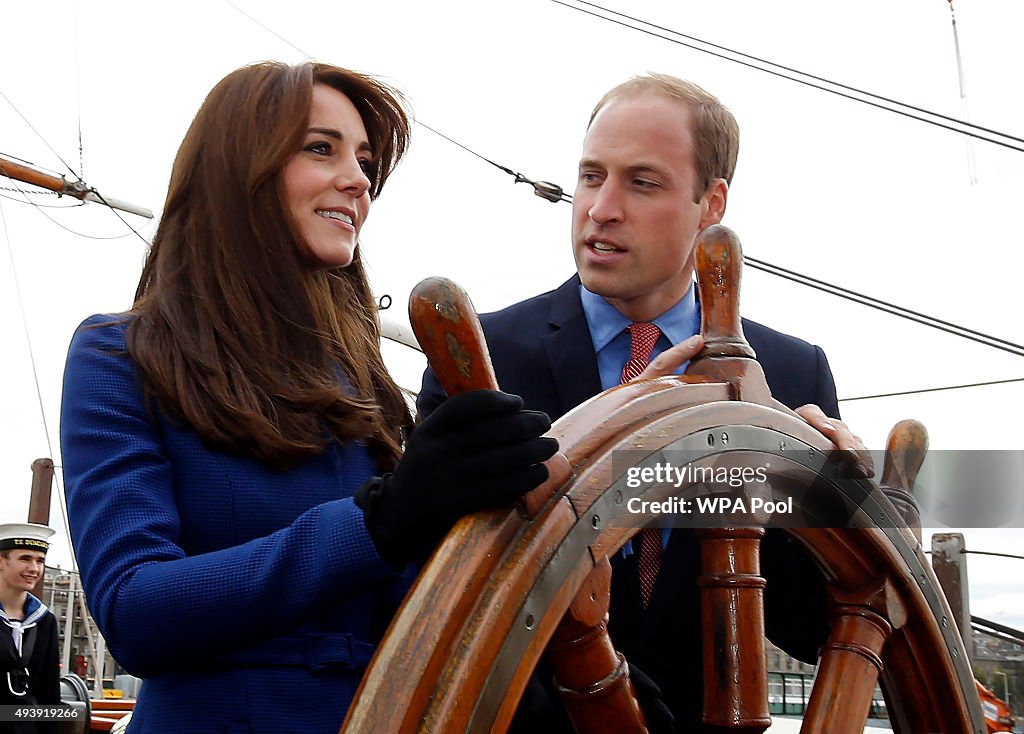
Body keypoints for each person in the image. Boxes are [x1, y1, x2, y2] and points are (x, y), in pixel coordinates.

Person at [59, 61, 556, 734]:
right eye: (321, 148)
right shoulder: (120, 357)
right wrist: (381, 522)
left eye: (365, 161)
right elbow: (136, 611)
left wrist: (540, 674)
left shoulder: (364, 378)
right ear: (239, 167)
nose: (359, 181)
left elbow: (418, 607)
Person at [418, 73, 870, 730]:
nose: (601, 207)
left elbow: (816, 627)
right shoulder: (481, 359)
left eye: (642, 182)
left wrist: (837, 500)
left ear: (711, 202)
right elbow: (429, 599)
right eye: (591, 176)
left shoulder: (794, 373)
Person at [0, 522, 61, 734]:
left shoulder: (45, 621)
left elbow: (49, 694)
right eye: (25, 559)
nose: (34, 569)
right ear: (1, 561)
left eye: (40, 561)